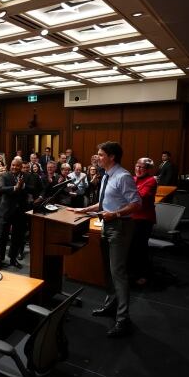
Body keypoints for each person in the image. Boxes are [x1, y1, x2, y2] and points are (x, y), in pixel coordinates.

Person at [71, 141, 141, 338]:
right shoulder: (106, 176)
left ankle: (123, 319)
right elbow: (104, 203)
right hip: (107, 225)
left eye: (101, 155)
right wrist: (84, 209)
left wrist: (116, 215)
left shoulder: (123, 176)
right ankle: (111, 306)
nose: (97, 157)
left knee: (118, 272)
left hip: (120, 226)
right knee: (108, 271)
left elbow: (136, 203)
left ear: (112, 157)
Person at [128, 158, 157, 287]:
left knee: (140, 247)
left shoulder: (151, 180)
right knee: (131, 247)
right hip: (131, 217)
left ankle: (143, 275)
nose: (139, 169)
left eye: (142, 167)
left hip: (144, 219)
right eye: (137, 166)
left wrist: (127, 191)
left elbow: (140, 197)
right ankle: (132, 272)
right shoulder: (133, 179)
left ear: (148, 169)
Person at [0, 158, 27, 270]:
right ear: (10, 165)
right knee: (2, 238)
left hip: (19, 212)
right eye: (13, 165)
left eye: (17, 166)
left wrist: (23, 187)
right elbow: (0, 189)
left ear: (20, 166)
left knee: (16, 237)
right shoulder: (5, 176)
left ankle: (13, 259)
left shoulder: (24, 176)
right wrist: (15, 188)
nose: (14, 167)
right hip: (5, 211)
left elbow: (28, 190)